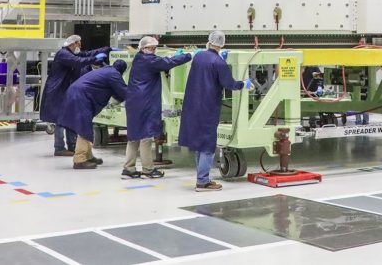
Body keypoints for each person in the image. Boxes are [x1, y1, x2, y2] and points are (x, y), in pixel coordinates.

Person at [179, 31, 252, 192]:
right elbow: (229, 84)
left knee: (199, 143)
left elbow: (207, 68)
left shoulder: (199, 57)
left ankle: (201, 177)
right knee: (207, 144)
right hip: (208, 108)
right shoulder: (219, 63)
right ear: (222, 44)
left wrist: (220, 59)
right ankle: (203, 182)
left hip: (192, 105)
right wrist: (243, 84)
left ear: (209, 42)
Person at [123, 36, 192, 179]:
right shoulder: (149, 61)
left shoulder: (139, 58)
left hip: (134, 102)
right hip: (144, 103)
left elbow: (163, 61)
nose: (154, 51)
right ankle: (148, 170)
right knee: (145, 136)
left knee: (134, 137)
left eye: (155, 48)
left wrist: (175, 55)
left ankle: (128, 169)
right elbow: (168, 63)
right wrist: (188, 56)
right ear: (143, 48)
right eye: (151, 48)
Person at [40, 34, 112, 157]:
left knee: (69, 117)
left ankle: (72, 146)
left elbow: (86, 54)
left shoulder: (71, 53)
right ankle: (59, 148)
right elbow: (78, 62)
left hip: (65, 90)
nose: (80, 46)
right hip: (57, 91)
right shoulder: (63, 54)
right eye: (78, 43)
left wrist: (107, 49)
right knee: (60, 120)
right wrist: (94, 59)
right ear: (72, 44)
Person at [57, 60, 128, 169]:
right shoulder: (114, 74)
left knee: (86, 127)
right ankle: (79, 160)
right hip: (80, 97)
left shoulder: (106, 71)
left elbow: (116, 92)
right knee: (84, 128)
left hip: (77, 94)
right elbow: (123, 91)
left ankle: (88, 156)